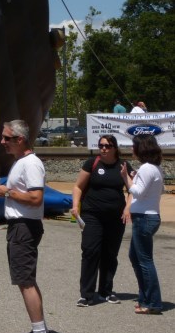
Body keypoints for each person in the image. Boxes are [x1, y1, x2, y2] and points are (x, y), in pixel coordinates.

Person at [0, 120, 52, 333]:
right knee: (27, 280)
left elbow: (36, 198)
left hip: (25, 227)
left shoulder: (31, 164)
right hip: (20, 226)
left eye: (6, 138)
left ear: (20, 139)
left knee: (25, 280)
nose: (2, 142)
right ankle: (39, 330)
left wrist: (8, 192)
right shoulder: (22, 162)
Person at [70, 135, 131, 306]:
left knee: (110, 255)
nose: (103, 148)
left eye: (108, 146)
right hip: (92, 215)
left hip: (116, 217)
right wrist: (76, 206)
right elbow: (78, 186)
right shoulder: (92, 163)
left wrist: (127, 208)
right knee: (90, 252)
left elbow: (132, 189)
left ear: (114, 148)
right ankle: (86, 294)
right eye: (101, 145)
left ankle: (106, 291)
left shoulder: (123, 165)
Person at [121, 134, 164, 314]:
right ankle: (144, 297)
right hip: (145, 217)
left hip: (145, 218)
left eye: (134, 146)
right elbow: (153, 190)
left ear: (142, 148)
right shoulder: (153, 168)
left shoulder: (147, 168)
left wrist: (126, 177)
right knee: (136, 257)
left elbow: (137, 192)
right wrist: (134, 177)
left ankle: (152, 302)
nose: (132, 149)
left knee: (145, 260)